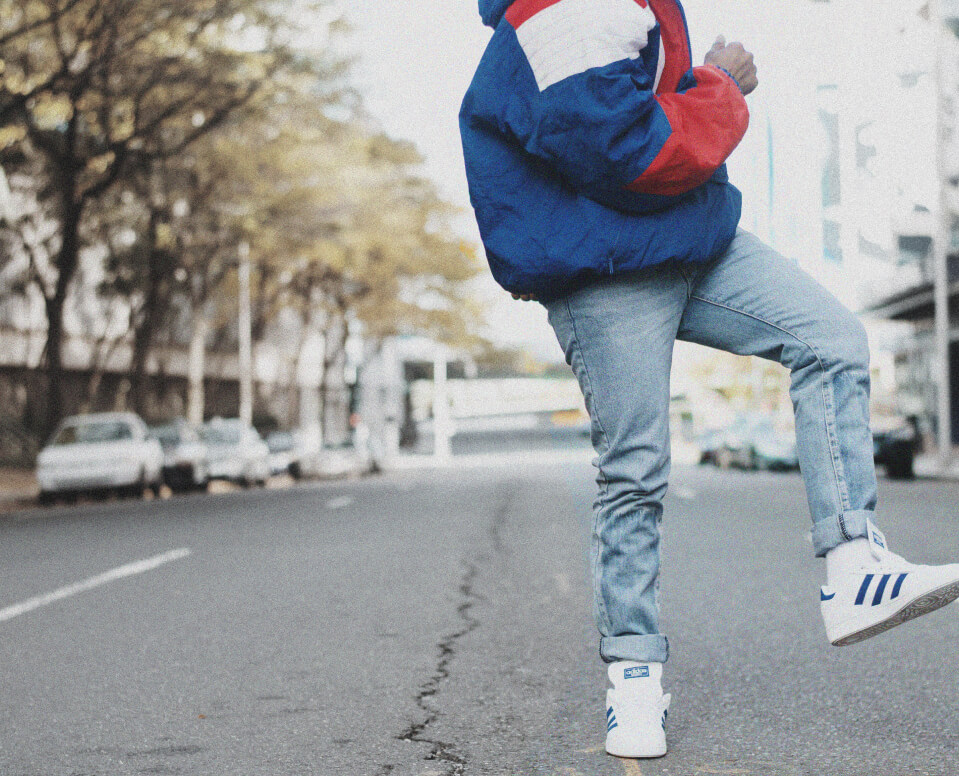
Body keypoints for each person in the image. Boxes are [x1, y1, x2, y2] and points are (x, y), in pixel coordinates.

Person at [460, 0, 959, 760]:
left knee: (830, 339)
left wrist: (695, 87)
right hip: (606, 263)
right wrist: (718, 85)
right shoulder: (559, 8)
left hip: (694, 239)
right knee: (635, 469)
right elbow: (625, 154)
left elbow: (631, 119)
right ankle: (632, 676)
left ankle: (853, 565)